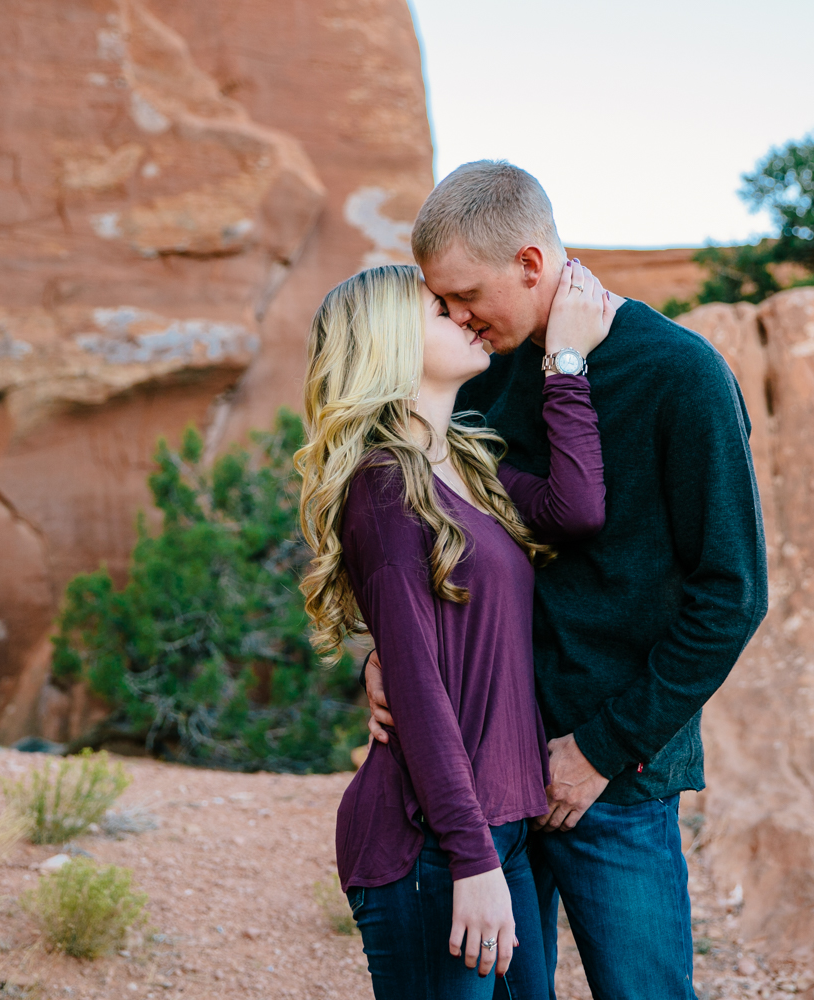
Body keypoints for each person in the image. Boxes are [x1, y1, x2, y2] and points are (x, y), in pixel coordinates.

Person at [363, 161, 768, 999]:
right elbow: (432, 531)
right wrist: (388, 654)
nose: (457, 318)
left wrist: (599, 751)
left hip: (613, 781)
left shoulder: (682, 377)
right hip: (485, 766)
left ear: (532, 264)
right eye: (442, 305)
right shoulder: (481, 370)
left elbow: (732, 596)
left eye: (467, 295)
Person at [296, 260, 615, 999]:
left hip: (498, 826)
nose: (467, 317)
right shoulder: (383, 485)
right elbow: (420, 688)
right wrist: (472, 862)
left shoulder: (471, 464)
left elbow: (578, 509)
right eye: (442, 310)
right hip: (431, 843)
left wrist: (565, 362)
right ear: (389, 346)